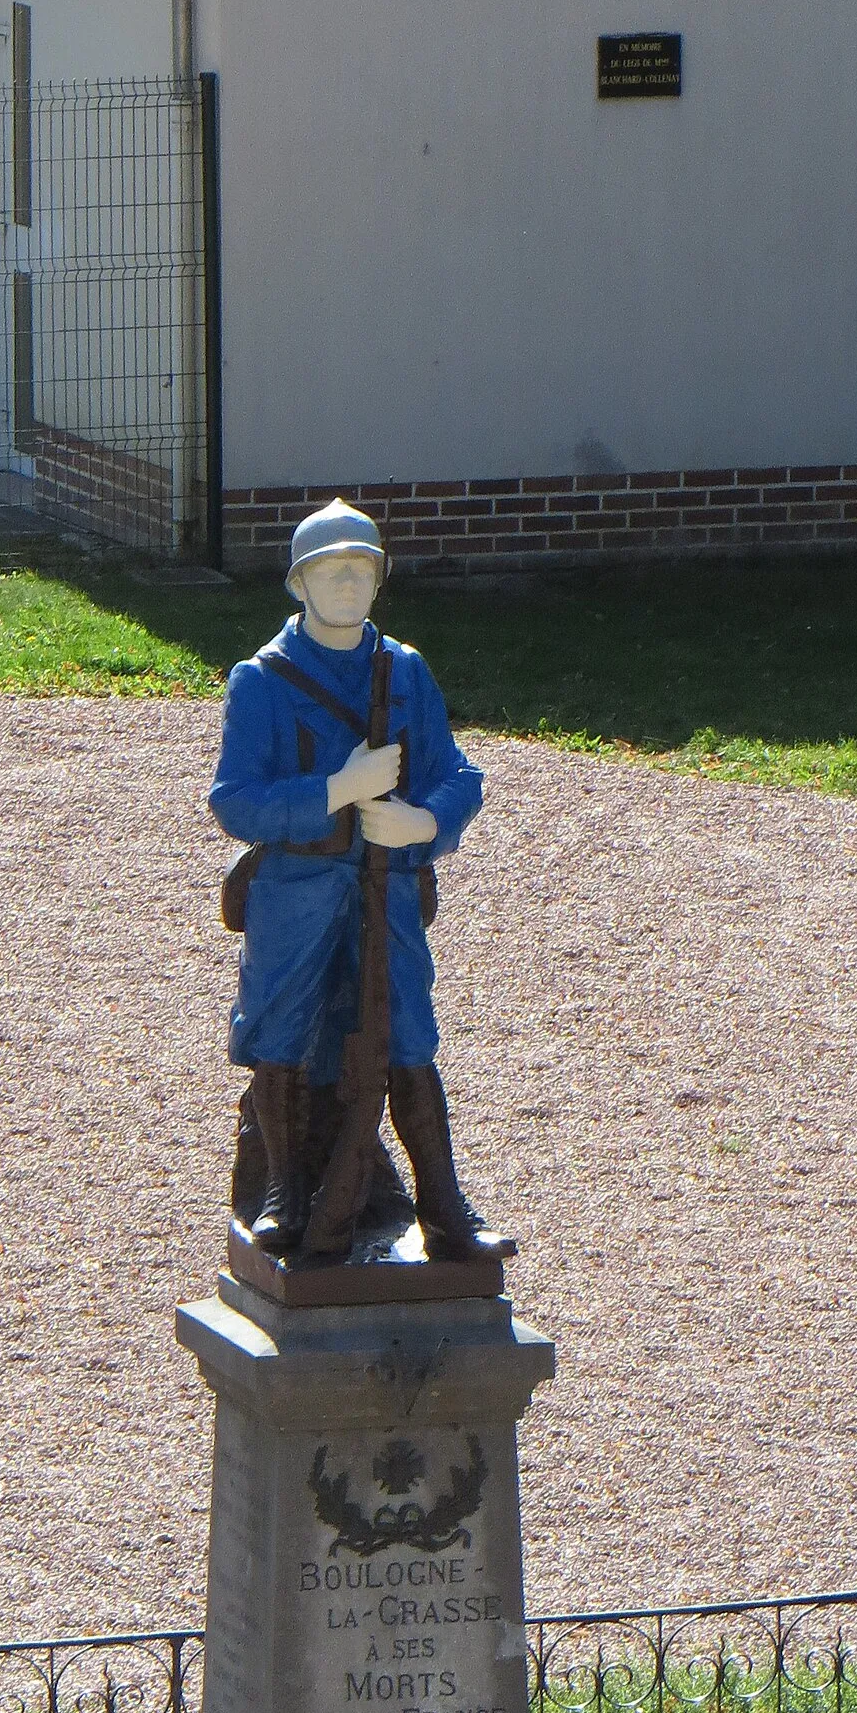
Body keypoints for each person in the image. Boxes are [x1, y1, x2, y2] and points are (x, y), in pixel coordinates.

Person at [209, 499, 510, 1262]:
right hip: (298, 886)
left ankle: (442, 1201)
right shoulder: (262, 681)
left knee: (408, 1030)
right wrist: (335, 791)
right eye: (329, 570)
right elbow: (235, 802)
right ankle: (282, 1189)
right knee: (279, 1030)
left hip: (388, 886)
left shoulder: (404, 671)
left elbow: (458, 777)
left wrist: (423, 824)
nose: (347, 583)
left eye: (361, 569)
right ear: (299, 584)